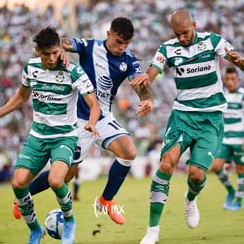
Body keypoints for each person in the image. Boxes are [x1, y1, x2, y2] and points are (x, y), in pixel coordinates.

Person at [131, 9, 244, 244]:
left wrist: (241, 62)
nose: (182, 38)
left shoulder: (213, 41)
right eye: (177, 34)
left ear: (194, 25)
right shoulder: (168, 48)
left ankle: (190, 199)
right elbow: (151, 72)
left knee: (197, 175)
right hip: (182, 116)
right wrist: (145, 82)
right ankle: (153, 229)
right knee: (166, 164)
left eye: (185, 33)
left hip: (211, 119)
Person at [19, 17, 153, 225]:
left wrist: (146, 99)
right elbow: (62, 41)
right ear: (108, 34)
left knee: (129, 152)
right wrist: (59, 50)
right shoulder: (89, 46)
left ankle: (106, 200)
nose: (122, 47)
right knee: (64, 177)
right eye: (118, 42)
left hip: (102, 117)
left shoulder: (129, 60)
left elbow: (139, 83)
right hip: (77, 121)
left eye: (126, 43)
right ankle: (23, 196)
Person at [0, 27, 100, 244]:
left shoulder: (73, 71)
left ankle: (69, 221)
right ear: (37, 52)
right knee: (17, 183)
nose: (52, 58)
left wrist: (92, 122)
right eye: (47, 54)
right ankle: (35, 230)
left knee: (56, 180)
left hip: (64, 135)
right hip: (38, 135)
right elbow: (21, 97)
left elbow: (94, 104)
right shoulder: (32, 67)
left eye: (56, 52)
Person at [209, 67, 244, 211]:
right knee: (216, 166)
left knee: (240, 170)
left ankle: (239, 202)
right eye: (227, 79)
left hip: (240, 139)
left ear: (238, 80)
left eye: (232, 79)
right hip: (226, 140)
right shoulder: (223, 95)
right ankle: (231, 191)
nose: (230, 82)